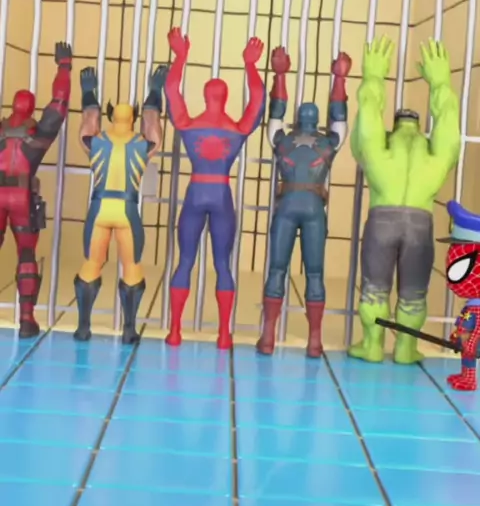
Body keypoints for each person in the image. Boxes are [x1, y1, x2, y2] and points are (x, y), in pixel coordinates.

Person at [350, 36, 461, 364]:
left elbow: (367, 120)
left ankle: (372, 344)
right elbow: (449, 130)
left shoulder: (380, 152)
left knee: (374, 287)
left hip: (381, 220)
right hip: (420, 224)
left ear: (394, 129)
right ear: (420, 131)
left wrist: (373, 77)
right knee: (414, 292)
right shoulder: (433, 158)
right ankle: (405, 347)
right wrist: (440, 83)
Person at [164, 27, 266, 349]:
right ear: (226, 98)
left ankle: (175, 331)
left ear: (205, 96)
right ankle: (224, 335)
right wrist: (250, 65)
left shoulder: (189, 126)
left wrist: (180, 57)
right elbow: (259, 101)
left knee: (185, 261)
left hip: (196, 191)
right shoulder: (236, 130)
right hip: (221, 194)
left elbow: (170, 90)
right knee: (223, 264)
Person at [257, 46, 351, 357]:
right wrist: (340, 79)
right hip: (313, 208)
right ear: (316, 120)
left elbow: (275, 115)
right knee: (314, 273)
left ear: (297, 119)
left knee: (276, 269)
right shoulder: (328, 143)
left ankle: (268, 337)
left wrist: (280, 74)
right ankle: (314, 341)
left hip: (286, 206)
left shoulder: (282, 140)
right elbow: (340, 120)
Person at [74, 65, 166, 343]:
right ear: (134, 117)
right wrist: (155, 91)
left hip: (100, 208)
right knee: (132, 266)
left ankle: (83, 327)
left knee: (91, 263)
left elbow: (89, 118)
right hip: (127, 211)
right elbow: (153, 122)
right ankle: (129, 329)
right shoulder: (142, 144)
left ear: (111, 114)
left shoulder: (96, 141)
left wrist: (89, 93)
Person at [0, 41, 72, 337]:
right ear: (30, 109)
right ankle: (27, 319)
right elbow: (59, 104)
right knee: (27, 253)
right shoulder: (38, 135)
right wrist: (64, 67)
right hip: (22, 196)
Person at [440, 200, 480, 391]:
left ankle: (470, 380)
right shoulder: (471, 305)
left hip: (471, 342)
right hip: (466, 341)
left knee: (469, 356)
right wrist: (457, 336)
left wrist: (471, 342)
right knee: (466, 357)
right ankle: (466, 376)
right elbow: (465, 322)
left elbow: (477, 328)